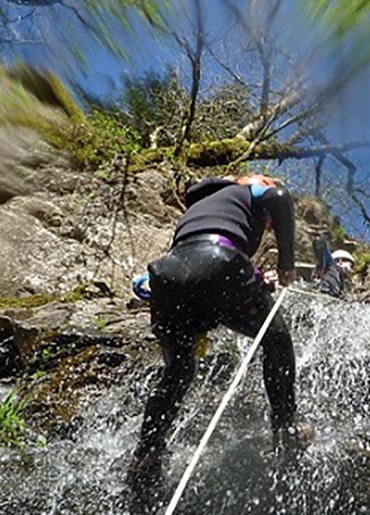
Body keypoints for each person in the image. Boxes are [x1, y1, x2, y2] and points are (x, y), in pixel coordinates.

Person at [128, 173, 311, 495]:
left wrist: (255, 280)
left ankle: (147, 451)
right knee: (276, 337)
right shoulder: (245, 191)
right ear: (254, 181)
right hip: (218, 264)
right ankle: (286, 425)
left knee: (178, 370)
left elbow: (200, 255)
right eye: (265, 180)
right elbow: (279, 197)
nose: (268, 225)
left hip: (169, 276)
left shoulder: (205, 205)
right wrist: (286, 265)